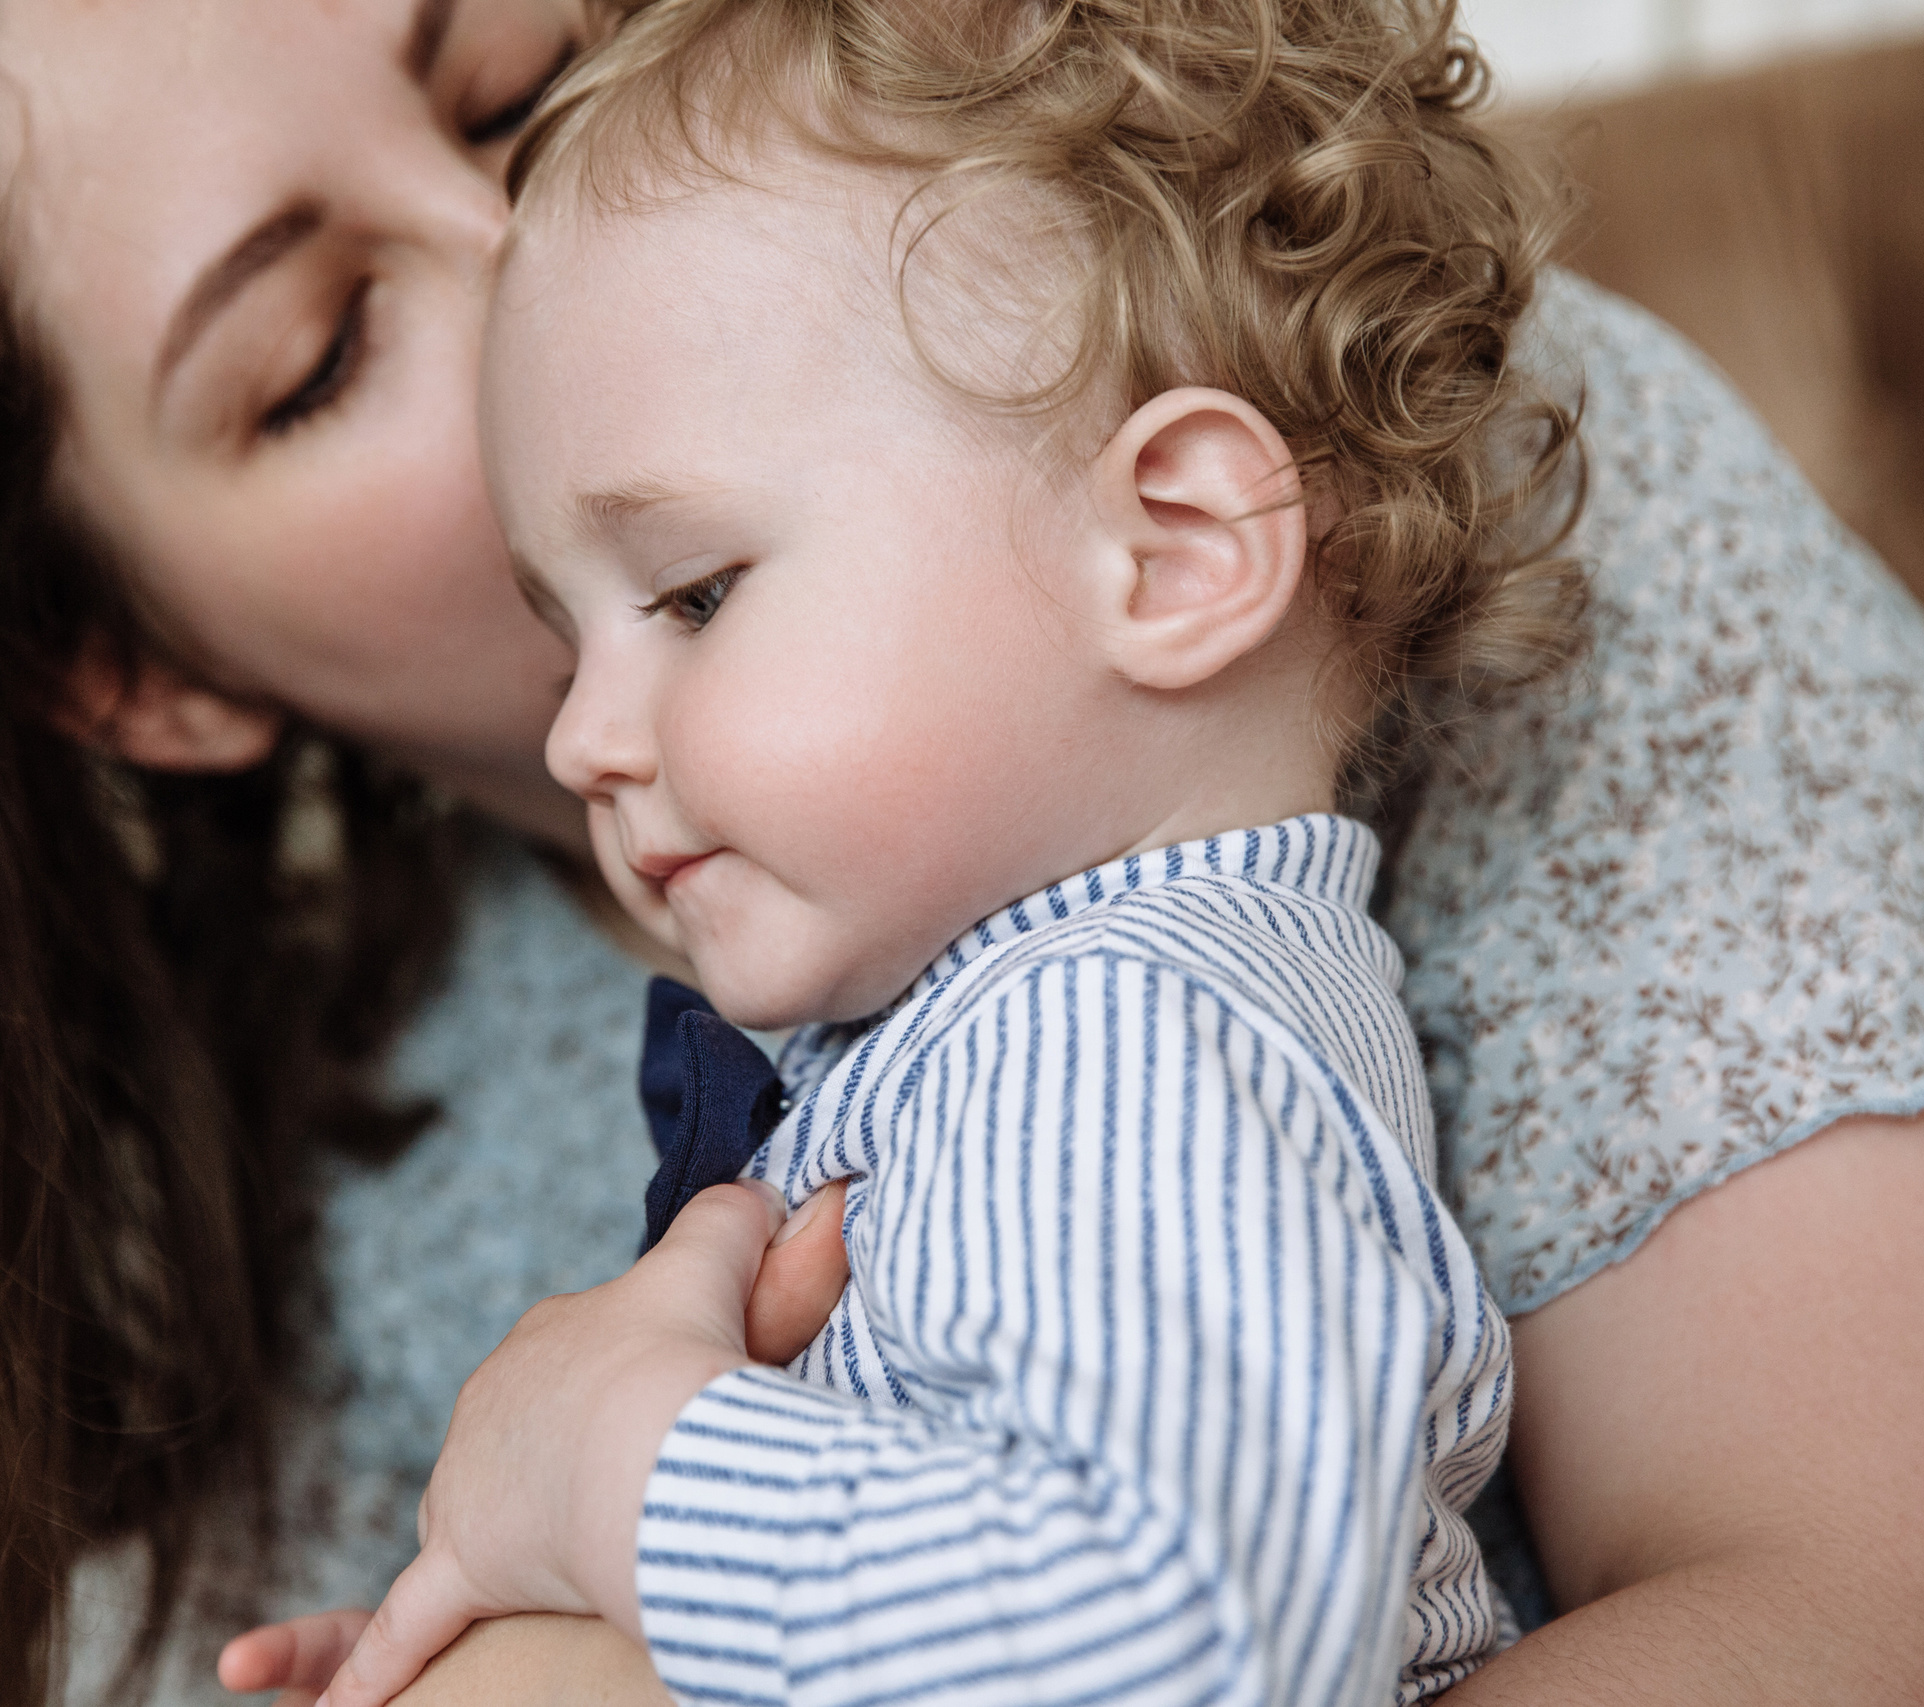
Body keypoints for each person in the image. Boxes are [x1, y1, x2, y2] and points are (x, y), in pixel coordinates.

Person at [0, 0, 1924, 1704]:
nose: (532, 246)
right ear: (142, 667)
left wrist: (616, 1519)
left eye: (514, 70)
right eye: (317, 349)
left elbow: (1920, 1613)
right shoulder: (243, 1192)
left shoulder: (1369, 504)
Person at [310, 2, 1569, 1698]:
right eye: (568, 643)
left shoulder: (1130, 1047)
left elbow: (1183, 1643)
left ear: (1174, 555)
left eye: (693, 596)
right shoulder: (1014, 1034)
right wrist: (547, 1631)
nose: (578, 739)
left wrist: (621, 1464)